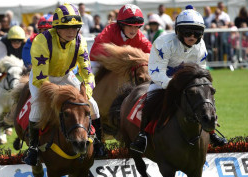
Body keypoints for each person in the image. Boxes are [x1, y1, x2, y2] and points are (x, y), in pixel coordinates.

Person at [130, 5, 228, 154]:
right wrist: (176, 85)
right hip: (164, 79)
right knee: (149, 99)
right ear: (178, 32)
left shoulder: (200, 46)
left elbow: (201, 71)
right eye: (187, 32)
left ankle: (211, 132)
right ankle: (142, 135)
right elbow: (156, 73)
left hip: (188, 81)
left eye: (196, 33)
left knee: (206, 95)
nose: (192, 37)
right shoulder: (163, 43)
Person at [24, 3, 105, 166]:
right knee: (37, 107)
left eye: (75, 28)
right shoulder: (41, 41)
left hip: (65, 76)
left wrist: (86, 92)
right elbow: (41, 78)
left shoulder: (80, 42)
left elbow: (87, 72)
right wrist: (60, 93)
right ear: (57, 28)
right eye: (67, 28)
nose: (71, 32)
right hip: (43, 79)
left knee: (93, 105)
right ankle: (33, 148)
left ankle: (98, 142)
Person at [90, 4, 152, 73]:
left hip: (126, 69)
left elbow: (152, 54)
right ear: (122, 25)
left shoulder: (139, 36)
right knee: (94, 69)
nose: (134, 30)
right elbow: (95, 51)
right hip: (105, 65)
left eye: (137, 26)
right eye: (130, 26)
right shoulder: (109, 30)